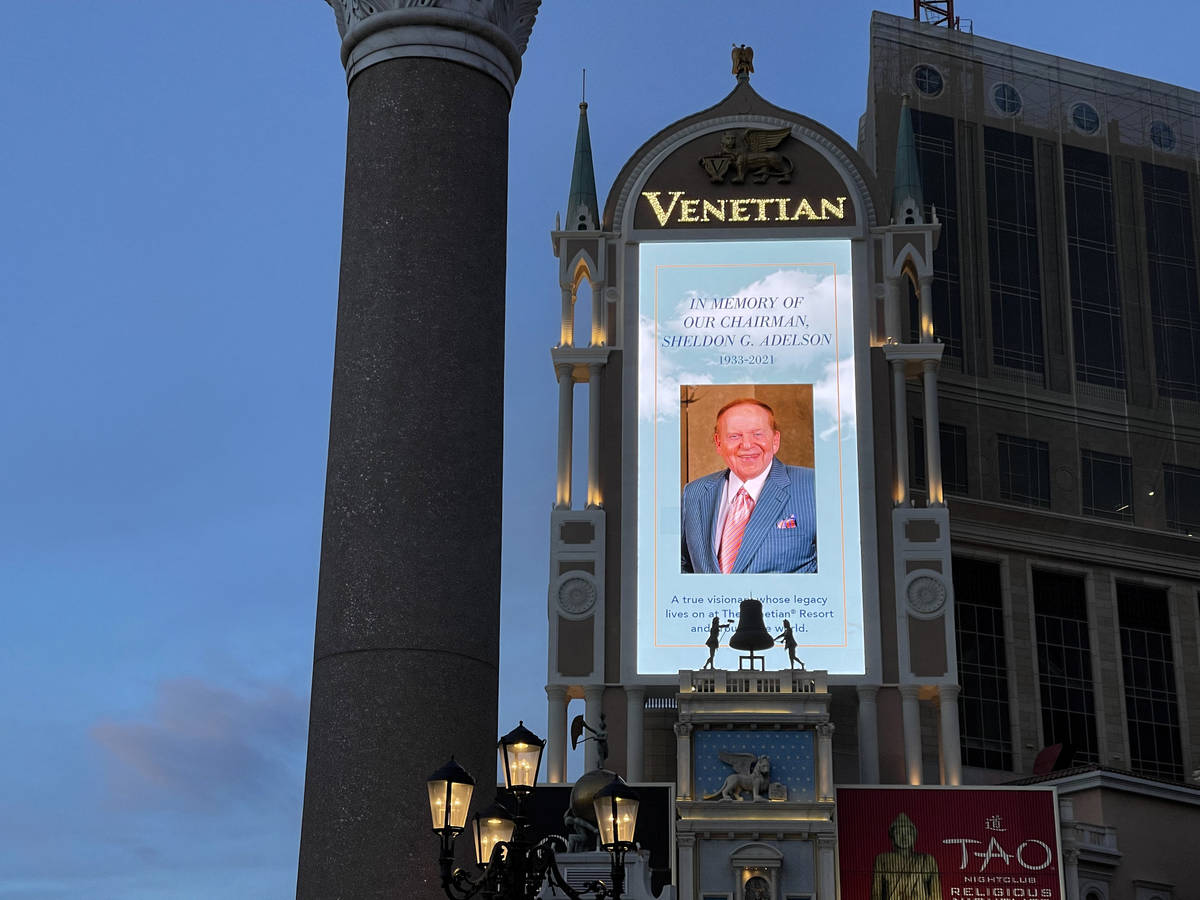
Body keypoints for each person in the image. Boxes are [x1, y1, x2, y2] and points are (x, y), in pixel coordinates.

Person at [681, 398, 816, 574]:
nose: (746, 445)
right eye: (734, 436)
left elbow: (836, 568)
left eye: (757, 434)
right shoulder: (693, 492)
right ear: (718, 443)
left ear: (775, 440)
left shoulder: (813, 486)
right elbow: (681, 564)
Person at [870, 812, 942, 900]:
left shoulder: (927, 860)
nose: (904, 837)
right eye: (899, 833)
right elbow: (876, 893)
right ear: (892, 837)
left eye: (908, 833)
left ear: (913, 836)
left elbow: (936, 894)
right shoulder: (882, 859)